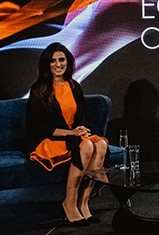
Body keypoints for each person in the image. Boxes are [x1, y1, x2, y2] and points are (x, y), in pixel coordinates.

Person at [26, 43, 109, 225]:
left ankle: (83, 202)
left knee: (101, 144)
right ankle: (69, 203)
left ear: (68, 62)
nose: (58, 64)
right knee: (86, 146)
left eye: (61, 60)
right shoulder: (38, 89)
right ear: (47, 64)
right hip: (48, 139)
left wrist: (82, 129)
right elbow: (37, 127)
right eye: (53, 61)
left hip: (73, 136)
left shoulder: (74, 86)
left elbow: (82, 117)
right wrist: (71, 133)